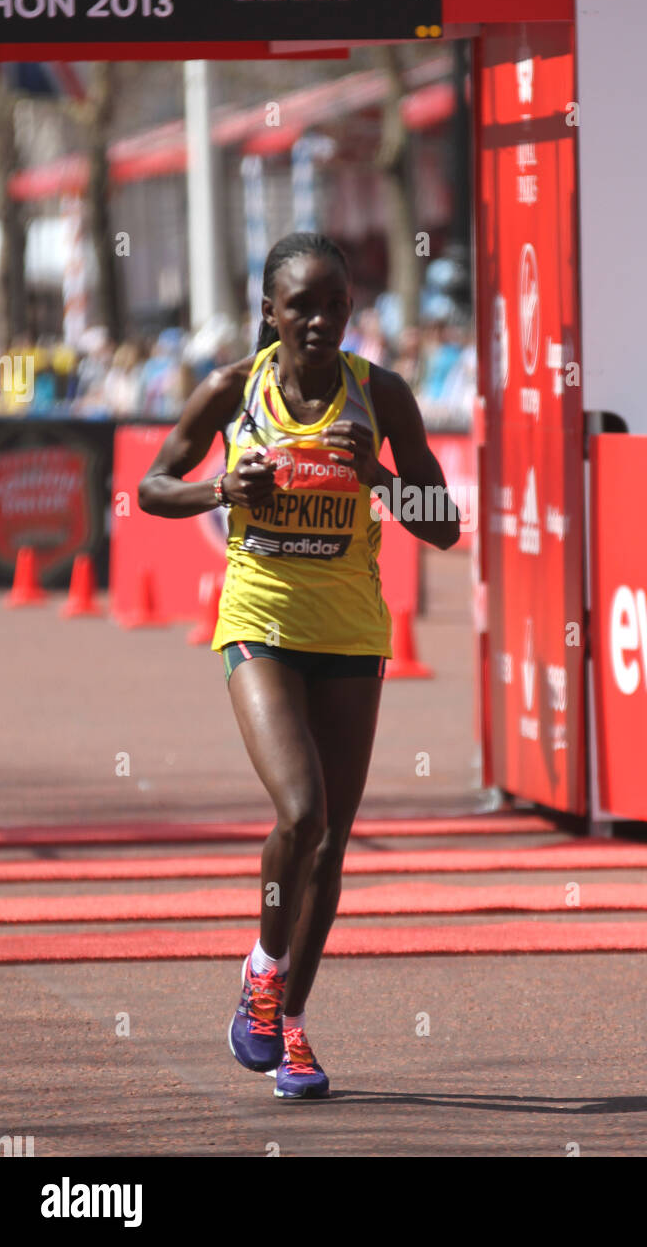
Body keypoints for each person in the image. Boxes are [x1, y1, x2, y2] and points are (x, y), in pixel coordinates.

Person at [138, 231, 460, 1100]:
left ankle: (291, 1027)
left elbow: (445, 525)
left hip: (352, 632)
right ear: (268, 314)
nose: (319, 321)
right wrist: (222, 490)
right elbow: (150, 487)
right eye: (301, 306)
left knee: (332, 845)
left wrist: (385, 477)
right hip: (261, 619)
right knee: (303, 808)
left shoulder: (381, 395)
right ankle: (262, 966)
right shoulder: (233, 391)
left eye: (336, 305)